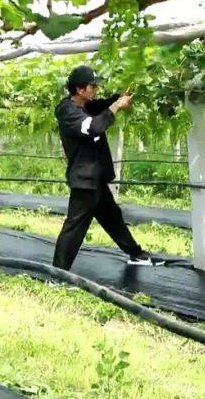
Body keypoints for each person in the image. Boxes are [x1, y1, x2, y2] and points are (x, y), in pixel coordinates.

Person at [52, 65, 162, 270]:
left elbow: (102, 105)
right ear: (80, 89)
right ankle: (57, 273)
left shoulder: (87, 106)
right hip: (84, 180)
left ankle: (136, 254)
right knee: (75, 227)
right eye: (93, 86)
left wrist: (119, 97)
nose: (96, 90)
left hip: (97, 178)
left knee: (112, 218)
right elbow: (93, 126)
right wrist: (117, 106)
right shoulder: (68, 111)